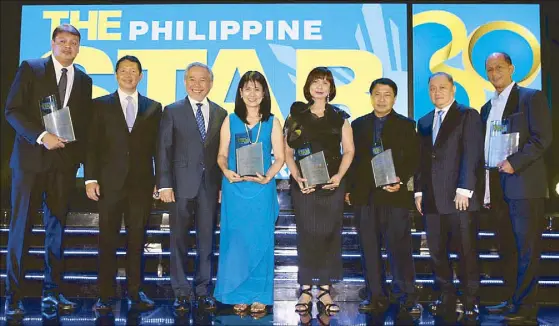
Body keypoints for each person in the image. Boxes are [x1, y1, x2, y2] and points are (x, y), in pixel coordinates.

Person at [4, 24, 93, 317]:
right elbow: (12, 111)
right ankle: (13, 296)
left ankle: (52, 292)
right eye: (63, 41)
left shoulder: (84, 80)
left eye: (74, 42)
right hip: (30, 162)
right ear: (53, 43)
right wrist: (42, 137)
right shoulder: (31, 68)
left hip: (63, 167)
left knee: (57, 230)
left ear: (78, 47)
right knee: (22, 228)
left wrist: (76, 159)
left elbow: (81, 124)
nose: (68, 46)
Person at [84, 55, 161, 314]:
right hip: (109, 184)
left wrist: (159, 180)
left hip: (141, 184)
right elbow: (92, 145)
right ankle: (105, 294)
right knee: (107, 239)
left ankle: (135, 290)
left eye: (134, 71)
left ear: (141, 76)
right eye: (124, 70)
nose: (129, 75)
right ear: (116, 75)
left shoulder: (153, 107)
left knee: (137, 239)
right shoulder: (100, 105)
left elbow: (157, 149)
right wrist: (90, 178)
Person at [482, 52, 552, 324]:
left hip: (524, 186)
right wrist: (487, 190)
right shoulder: (487, 108)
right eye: (490, 69)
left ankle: (525, 307)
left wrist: (514, 162)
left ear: (511, 68)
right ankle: (511, 299)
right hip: (498, 189)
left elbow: (542, 138)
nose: (495, 72)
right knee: (507, 248)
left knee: (527, 249)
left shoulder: (531, 97)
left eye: (499, 67)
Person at [345, 78, 421, 321]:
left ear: (394, 98)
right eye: (377, 94)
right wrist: (349, 189)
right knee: (369, 249)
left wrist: (400, 179)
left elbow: (413, 158)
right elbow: (351, 159)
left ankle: (406, 297)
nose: (381, 99)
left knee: (400, 249)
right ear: (371, 96)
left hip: (394, 195)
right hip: (365, 197)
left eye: (387, 94)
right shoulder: (358, 125)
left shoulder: (407, 125)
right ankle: (375, 295)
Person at [156, 62, 227, 314]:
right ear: (185, 82)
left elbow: (223, 153)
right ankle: (182, 292)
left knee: (207, 241)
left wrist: (222, 186)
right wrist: (163, 184)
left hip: (210, 187)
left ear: (211, 83)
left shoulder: (221, 113)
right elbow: (163, 150)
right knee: (179, 241)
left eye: (203, 80)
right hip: (179, 185)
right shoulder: (172, 111)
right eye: (192, 80)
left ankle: (203, 290)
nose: (198, 85)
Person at [284, 67, 355, 315]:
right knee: (307, 234)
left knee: (329, 234)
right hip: (304, 185)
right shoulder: (295, 115)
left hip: (332, 184)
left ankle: (324, 289)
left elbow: (349, 150)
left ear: (331, 88)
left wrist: (339, 176)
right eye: (315, 81)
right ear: (308, 86)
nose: (320, 86)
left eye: (325, 82)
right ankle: (305, 287)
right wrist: (297, 176)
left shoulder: (340, 117)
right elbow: (287, 152)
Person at [414, 72, 483, 323]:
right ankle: (446, 295)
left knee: (466, 251)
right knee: (436, 252)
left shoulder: (468, 115)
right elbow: (421, 161)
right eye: (432, 88)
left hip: (460, 198)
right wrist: (419, 192)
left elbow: (472, 153)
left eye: (442, 87)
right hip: (432, 199)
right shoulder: (423, 121)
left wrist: (465, 189)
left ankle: (471, 300)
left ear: (453, 89)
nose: (437, 92)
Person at [213, 71, 284, 313]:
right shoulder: (230, 120)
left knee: (261, 241)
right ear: (240, 93)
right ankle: (237, 295)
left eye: (257, 89)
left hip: (261, 190)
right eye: (248, 89)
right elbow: (222, 154)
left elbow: (281, 157)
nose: (252, 94)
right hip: (235, 189)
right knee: (236, 243)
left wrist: (268, 176)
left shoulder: (272, 122)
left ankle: (259, 296)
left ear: (264, 93)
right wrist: (225, 170)